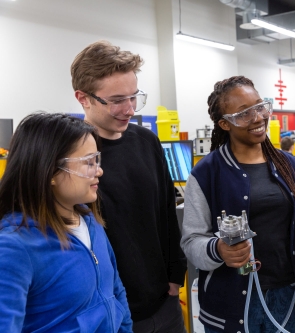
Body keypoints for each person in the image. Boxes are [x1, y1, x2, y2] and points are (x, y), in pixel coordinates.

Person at [180, 76, 295, 333]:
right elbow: (191, 242)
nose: (257, 118)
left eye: (259, 106)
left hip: (285, 293)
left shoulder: (291, 166)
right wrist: (219, 250)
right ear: (225, 124)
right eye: (243, 114)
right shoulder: (206, 174)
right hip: (231, 302)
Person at [71, 41, 187, 333]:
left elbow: (166, 213)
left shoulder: (146, 141)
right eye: (116, 100)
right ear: (83, 98)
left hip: (164, 301)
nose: (129, 109)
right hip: (110, 311)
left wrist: (176, 276)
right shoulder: (70, 157)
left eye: (134, 97)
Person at [0, 113, 132, 332]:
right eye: (88, 163)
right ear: (50, 171)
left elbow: (116, 292)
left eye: (97, 160)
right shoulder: (15, 247)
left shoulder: (90, 223)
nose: (99, 171)